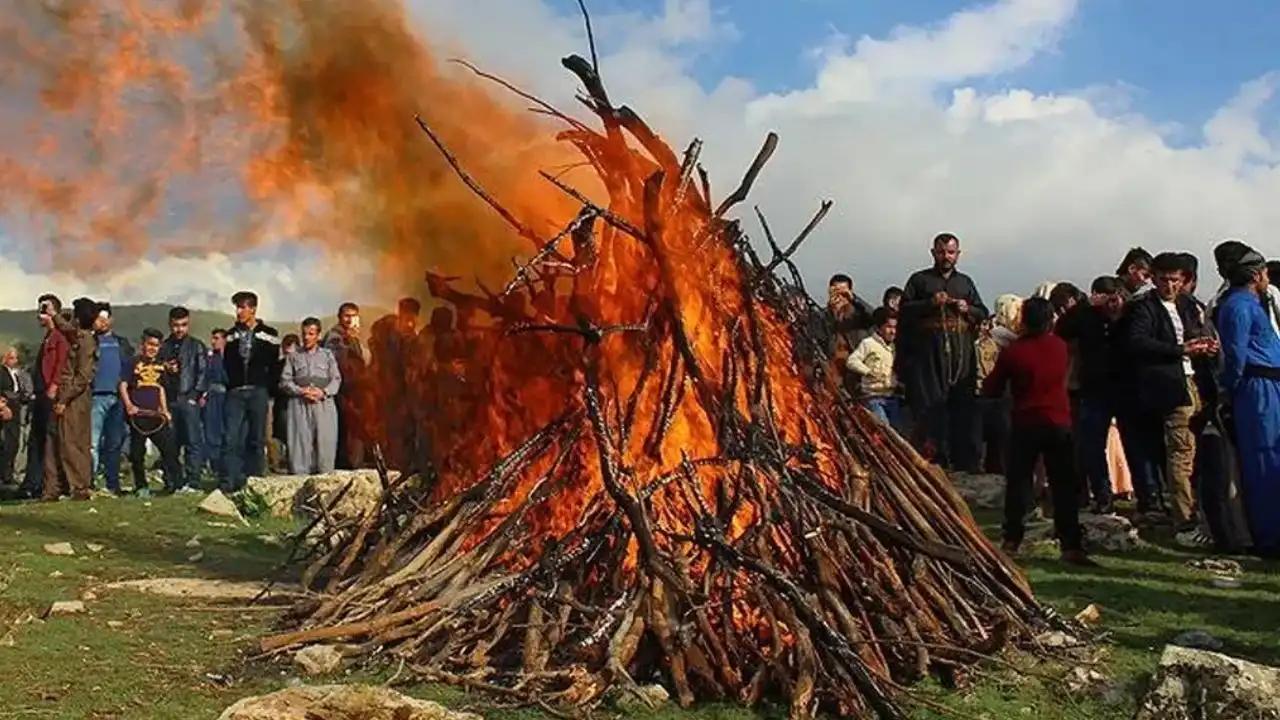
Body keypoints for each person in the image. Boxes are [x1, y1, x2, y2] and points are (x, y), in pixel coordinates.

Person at [981, 297, 1093, 566]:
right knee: (1063, 484)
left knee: (1019, 484)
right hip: (1059, 421)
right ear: (1051, 319)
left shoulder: (1014, 352)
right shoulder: (1063, 348)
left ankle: (1012, 539)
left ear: (1023, 320)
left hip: (1025, 421)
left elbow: (992, 388)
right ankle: (1070, 545)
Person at [1127, 253, 1217, 533]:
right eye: (1164, 280)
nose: (1170, 286)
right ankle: (1184, 519)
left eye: (1175, 280)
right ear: (1154, 279)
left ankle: (1196, 511)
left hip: (1195, 382)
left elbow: (1198, 332)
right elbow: (1138, 341)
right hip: (1170, 385)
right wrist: (1180, 350)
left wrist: (1205, 347)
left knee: (1196, 450)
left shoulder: (1189, 305)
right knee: (1181, 451)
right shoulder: (1144, 308)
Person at [898, 232, 989, 471]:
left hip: (960, 353)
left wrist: (966, 307)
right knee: (930, 406)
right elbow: (904, 311)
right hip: (929, 353)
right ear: (933, 253)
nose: (946, 256)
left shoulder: (965, 283)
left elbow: (982, 311)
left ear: (958, 254)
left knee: (962, 406)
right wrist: (930, 303)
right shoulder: (919, 280)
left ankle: (963, 459)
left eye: (951, 252)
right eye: (941, 252)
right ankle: (934, 458)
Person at [1215, 246, 1280, 557]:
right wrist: (1229, 388)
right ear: (1256, 275)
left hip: (1270, 385)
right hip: (1257, 388)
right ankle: (1269, 537)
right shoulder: (1238, 307)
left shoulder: (1252, 304)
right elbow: (1236, 356)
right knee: (1262, 458)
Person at [1056, 276, 1128, 514]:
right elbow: (1062, 329)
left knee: (1133, 445)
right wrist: (1086, 306)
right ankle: (1102, 494)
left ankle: (1147, 497)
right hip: (1094, 388)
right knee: (1091, 446)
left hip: (1124, 387)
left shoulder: (1126, 315)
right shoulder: (1085, 317)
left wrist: (1119, 309)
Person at [221, 291, 280, 492]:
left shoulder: (270, 334)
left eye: (241, 307)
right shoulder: (230, 335)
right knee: (231, 437)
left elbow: (273, 365)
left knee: (257, 437)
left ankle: (255, 482)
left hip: (258, 391)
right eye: (236, 307)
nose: (238, 311)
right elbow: (226, 364)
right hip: (236, 392)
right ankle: (229, 482)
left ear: (252, 308)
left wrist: (268, 389)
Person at [45, 298, 98, 501]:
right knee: (70, 440)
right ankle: (70, 486)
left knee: (71, 441)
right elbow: (67, 328)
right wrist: (54, 315)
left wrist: (63, 400)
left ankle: (79, 487)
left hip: (74, 396)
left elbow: (83, 377)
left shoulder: (85, 342)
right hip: (74, 395)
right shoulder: (80, 335)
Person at [120, 328, 181, 496]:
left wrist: (165, 410)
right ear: (143, 344)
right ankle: (141, 486)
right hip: (138, 415)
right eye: (149, 344)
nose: (152, 348)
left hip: (156, 416)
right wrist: (128, 405)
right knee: (137, 454)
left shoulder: (161, 365)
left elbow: (160, 388)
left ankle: (176, 484)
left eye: (156, 345)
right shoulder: (132, 362)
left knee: (169, 450)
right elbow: (123, 385)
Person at [281, 317, 343, 474]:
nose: (307, 337)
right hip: (300, 404)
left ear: (319, 335)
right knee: (299, 445)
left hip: (324, 404)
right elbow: (285, 380)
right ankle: (299, 482)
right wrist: (301, 391)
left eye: (311, 333)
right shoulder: (293, 357)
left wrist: (323, 392)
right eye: (304, 334)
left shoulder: (328, 355)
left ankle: (326, 481)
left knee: (325, 444)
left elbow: (336, 379)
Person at [23, 295, 70, 499]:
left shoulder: (60, 336)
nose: (39, 314)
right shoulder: (47, 337)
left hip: (50, 392)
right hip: (40, 392)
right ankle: (32, 483)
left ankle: (51, 483)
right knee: (37, 439)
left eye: (44, 310)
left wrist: (55, 384)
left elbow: (61, 361)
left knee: (49, 438)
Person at [160, 306, 208, 493]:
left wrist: (194, 396)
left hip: (188, 399)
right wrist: (165, 369)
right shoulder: (164, 347)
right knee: (170, 443)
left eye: (183, 325)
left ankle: (193, 481)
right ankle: (172, 481)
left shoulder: (197, 346)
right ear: (170, 324)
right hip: (170, 400)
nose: (179, 329)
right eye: (176, 325)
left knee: (193, 442)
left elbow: (203, 372)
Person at [89, 303, 132, 494]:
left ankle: (112, 483)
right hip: (95, 397)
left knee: (114, 442)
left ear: (111, 320)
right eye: (99, 318)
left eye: (106, 318)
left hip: (118, 398)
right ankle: (90, 482)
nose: (102, 322)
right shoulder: (89, 342)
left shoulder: (122, 343)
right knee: (93, 443)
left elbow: (129, 368)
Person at [324, 302, 372, 469]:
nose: (350, 320)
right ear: (340, 317)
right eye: (347, 316)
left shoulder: (354, 337)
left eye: (354, 316)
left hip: (357, 392)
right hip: (342, 390)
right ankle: (346, 465)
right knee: (345, 430)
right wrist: (348, 340)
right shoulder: (334, 336)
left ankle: (355, 463)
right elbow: (337, 360)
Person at [846, 307, 900, 428]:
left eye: (895, 327)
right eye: (889, 327)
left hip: (891, 397)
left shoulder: (895, 347)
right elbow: (852, 361)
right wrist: (868, 371)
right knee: (883, 429)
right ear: (879, 327)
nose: (892, 331)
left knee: (897, 431)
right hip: (873, 397)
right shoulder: (868, 343)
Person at [824, 274, 876, 395]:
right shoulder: (823, 316)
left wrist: (854, 299)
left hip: (858, 371)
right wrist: (832, 314)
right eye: (835, 292)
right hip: (834, 371)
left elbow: (875, 317)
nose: (840, 297)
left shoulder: (859, 315)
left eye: (843, 293)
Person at [0, 347, 32, 487]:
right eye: (12, 358)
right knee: (7, 443)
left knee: (14, 442)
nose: (15, 361)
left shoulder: (16, 374)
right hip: (7, 407)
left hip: (16, 408)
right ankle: (5, 475)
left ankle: (8, 473)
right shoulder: (1, 372)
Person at [204, 329, 228, 477]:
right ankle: (214, 464)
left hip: (227, 396)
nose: (213, 342)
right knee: (211, 430)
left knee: (226, 430)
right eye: (213, 338)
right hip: (212, 396)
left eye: (217, 338)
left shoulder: (231, 358)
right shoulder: (210, 358)